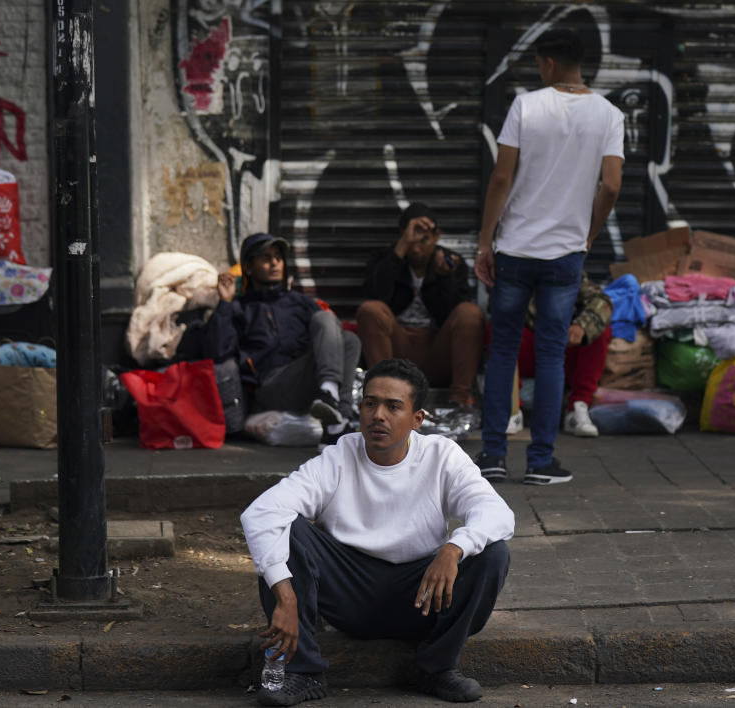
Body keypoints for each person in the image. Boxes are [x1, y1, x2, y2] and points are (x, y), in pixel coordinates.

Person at [240, 358, 514, 705]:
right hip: (347, 592)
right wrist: (285, 592)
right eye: (370, 403)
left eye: (393, 406)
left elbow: (497, 512)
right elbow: (261, 512)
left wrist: (453, 548)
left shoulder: (442, 456)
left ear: (418, 419)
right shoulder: (339, 456)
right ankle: (302, 672)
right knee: (286, 528)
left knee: (493, 552)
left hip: (422, 596)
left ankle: (436, 669)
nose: (378, 415)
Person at [474, 28, 624, 484]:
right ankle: (541, 462)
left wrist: (486, 240)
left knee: (502, 352)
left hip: (516, 249)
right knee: (553, 354)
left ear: (548, 64)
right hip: (565, 256)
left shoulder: (526, 105)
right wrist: (589, 233)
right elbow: (612, 185)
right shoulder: (609, 114)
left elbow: (501, 178)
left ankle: (495, 456)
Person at [204, 232, 361, 445]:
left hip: (307, 384)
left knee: (349, 339)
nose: (275, 262)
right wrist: (225, 302)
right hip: (271, 387)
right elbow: (219, 350)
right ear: (248, 267)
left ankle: (336, 417)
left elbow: (333, 335)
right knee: (338, 332)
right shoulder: (240, 307)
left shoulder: (298, 302)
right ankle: (336, 415)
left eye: (278, 257)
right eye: (266, 258)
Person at [356, 203, 484, 408]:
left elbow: (458, 322)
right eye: (411, 241)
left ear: (436, 236)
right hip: (396, 350)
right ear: (402, 236)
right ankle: (384, 395)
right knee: (370, 310)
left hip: (436, 350)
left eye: (423, 240)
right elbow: (374, 296)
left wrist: (445, 279)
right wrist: (400, 250)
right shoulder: (385, 259)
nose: (416, 248)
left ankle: (460, 400)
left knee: (470, 313)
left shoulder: (451, 263)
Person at [521, 274, 613, 437]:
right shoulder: (513, 263)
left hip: (562, 345)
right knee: (500, 329)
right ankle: (511, 409)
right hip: (530, 344)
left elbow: (602, 301)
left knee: (597, 330)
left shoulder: (566, 263)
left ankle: (578, 407)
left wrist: (581, 326)